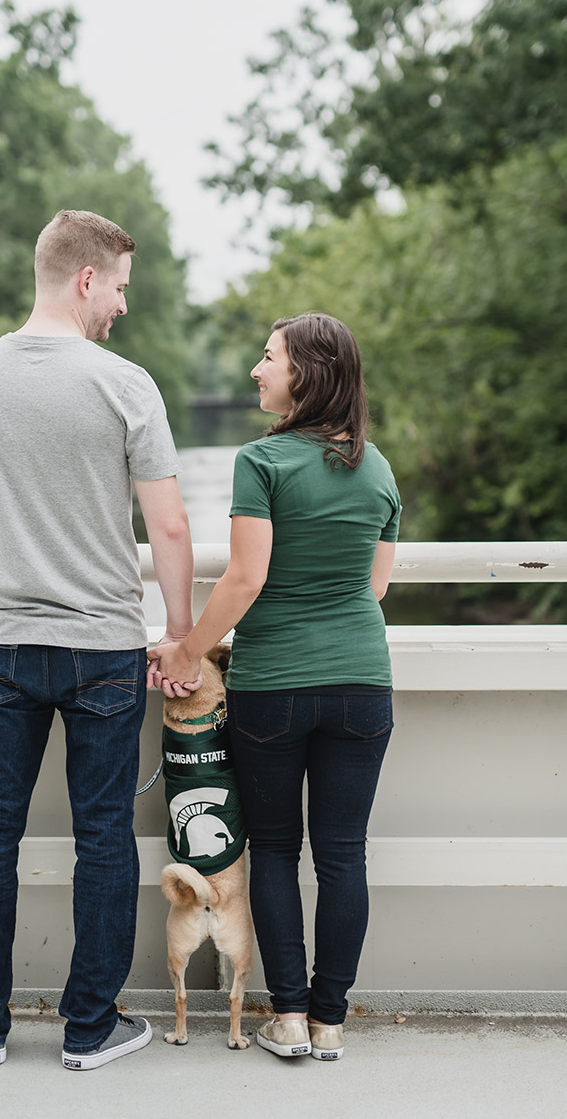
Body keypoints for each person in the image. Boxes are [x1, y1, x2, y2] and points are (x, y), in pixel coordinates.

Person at [0, 209, 198, 1071]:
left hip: (3, 643)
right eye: (120, 286)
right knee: (102, 835)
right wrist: (182, 637)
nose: (123, 305)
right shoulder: (126, 385)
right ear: (86, 277)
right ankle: (89, 1030)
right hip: (103, 649)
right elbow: (167, 527)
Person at [147, 312, 400, 1062]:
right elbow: (374, 588)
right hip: (361, 682)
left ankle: (286, 1017)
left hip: (273, 688)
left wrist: (189, 652)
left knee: (279, 851)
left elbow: (247, 577)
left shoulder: (262, 462)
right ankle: (329, 1024)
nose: (256, 371)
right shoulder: (377, 465)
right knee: (344, 854)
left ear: (306, 374)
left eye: (268, 358)